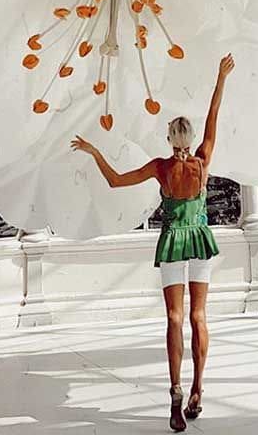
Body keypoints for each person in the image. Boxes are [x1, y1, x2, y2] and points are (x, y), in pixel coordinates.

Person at [71, 53, 235, 432]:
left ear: (168, 139)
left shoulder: (161, 167)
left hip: (173, 243)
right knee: (199, 317)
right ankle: (197, 388)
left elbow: (115, 181)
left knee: (174, 319)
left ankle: (176, 391)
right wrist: (220, 79)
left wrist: (96, 152)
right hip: (200, 241)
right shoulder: (202, 162)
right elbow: (214, 118)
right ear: (190, 139)